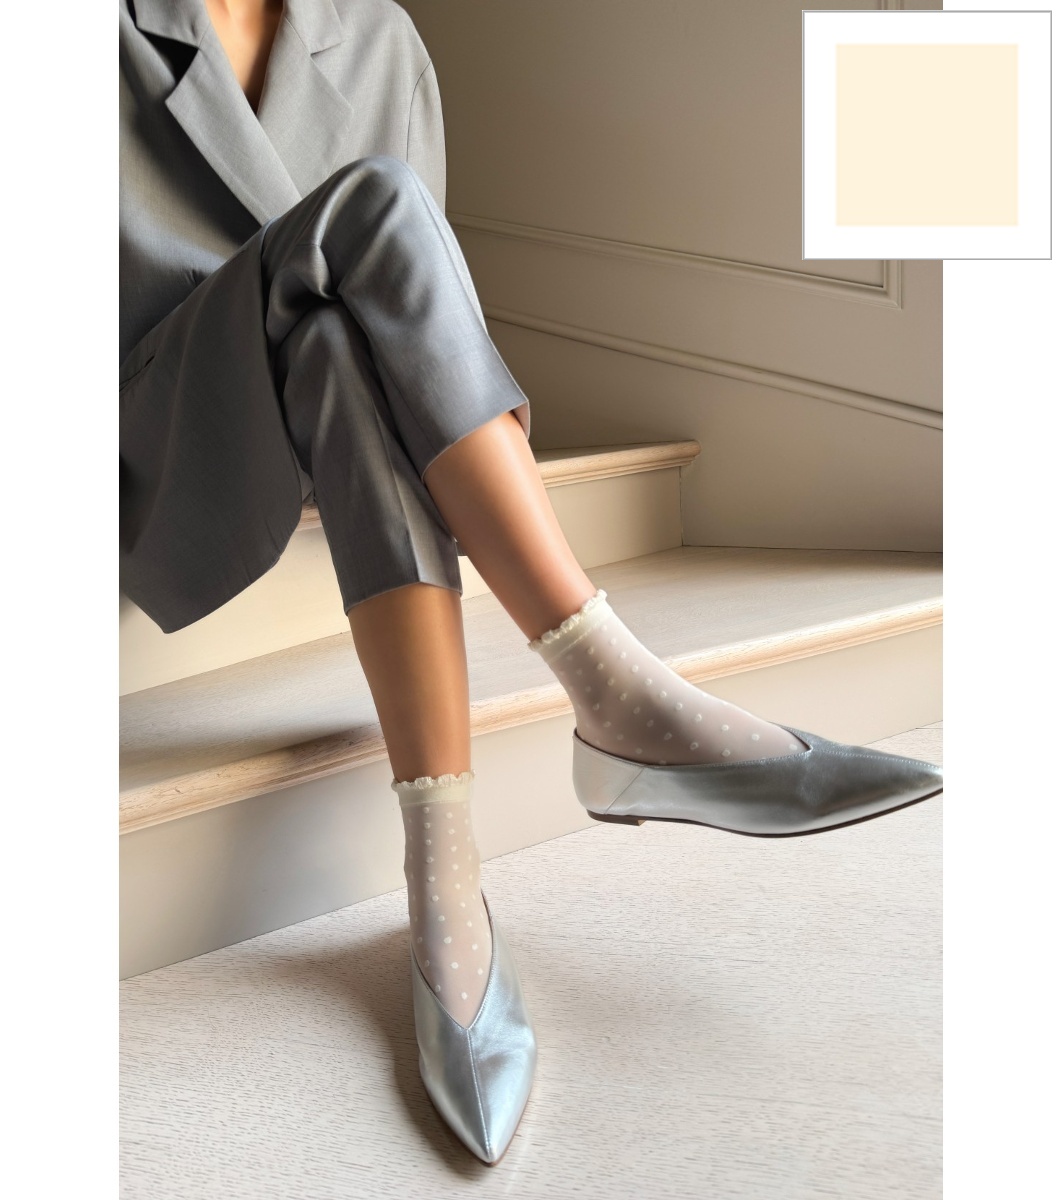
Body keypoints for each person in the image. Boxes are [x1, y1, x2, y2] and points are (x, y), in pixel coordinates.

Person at [120, 0, 944, 1166]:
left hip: (312, 413)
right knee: (376, 208)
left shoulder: (379, 40)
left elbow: (409, 321)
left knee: (340, 345)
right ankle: (614, 691)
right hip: (152, 438)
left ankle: (442, 868)